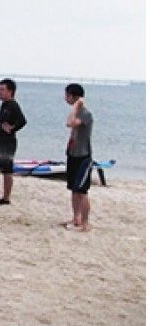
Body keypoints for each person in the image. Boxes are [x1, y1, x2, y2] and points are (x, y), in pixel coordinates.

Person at [0, 78, 27, 205]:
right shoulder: (4, 104)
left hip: (8, 143)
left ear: (10, 91)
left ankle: (6, 198)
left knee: (7, 170)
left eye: (2, 90)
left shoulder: (13, 104)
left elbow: (23, 121)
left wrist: (12, 128)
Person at [63, 83, 94, 232]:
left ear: (75, 97)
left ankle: (85, 223)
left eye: (67, 95)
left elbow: (70, 123)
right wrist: (74, 108)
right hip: (73, 154)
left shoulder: (85, 114)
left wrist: (76, 106)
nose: (65, 98)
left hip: (83, 156)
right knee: (74, 189)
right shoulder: (75, 112)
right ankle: (76, 218)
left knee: (82, 191)